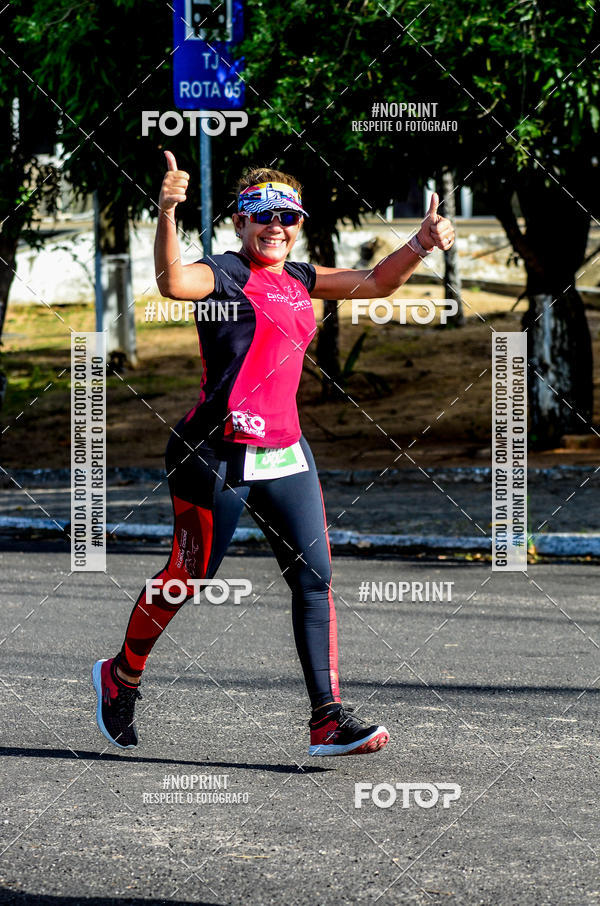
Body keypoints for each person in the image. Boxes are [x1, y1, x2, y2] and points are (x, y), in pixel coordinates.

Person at [92, 152, 455, 756]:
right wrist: (165, 212)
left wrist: (418, 243)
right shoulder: (223, 274)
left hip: (286, 453)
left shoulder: (300, 279)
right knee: (190, 577)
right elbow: (172, 283)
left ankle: (327, 719)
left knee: (315, 580)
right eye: (261, 215)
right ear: (239, 221)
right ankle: (121, 675)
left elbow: (376, 283)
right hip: (215, 453)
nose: (276, 225)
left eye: (288, 215)